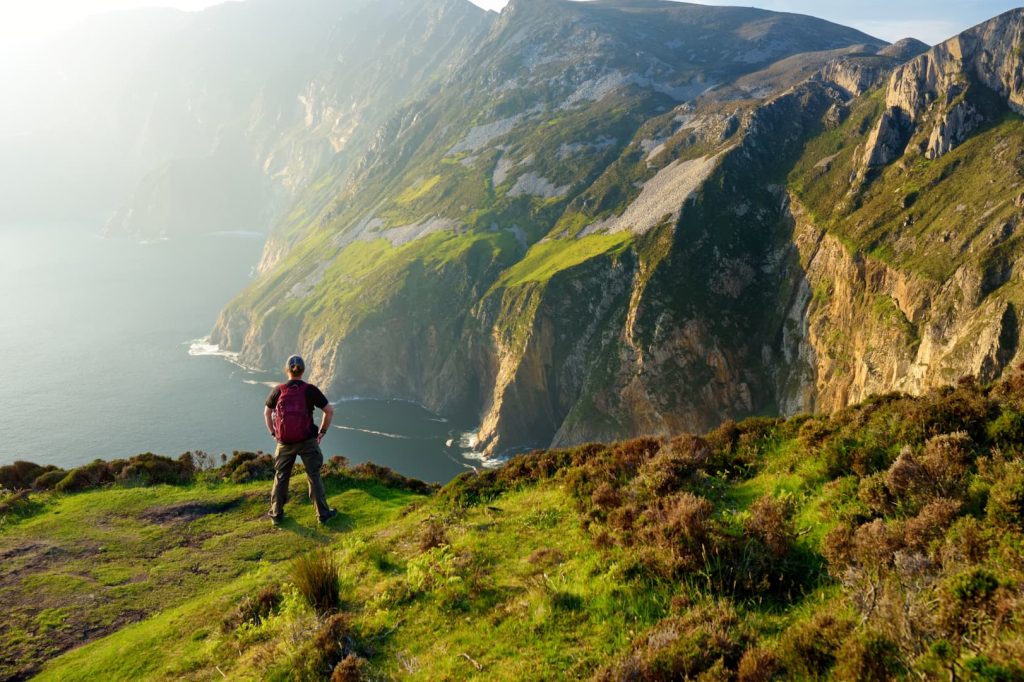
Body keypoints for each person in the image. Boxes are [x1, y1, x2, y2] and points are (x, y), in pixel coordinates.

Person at [264, 355, 338, 525]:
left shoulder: (278, 390)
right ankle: (323, 514)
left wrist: (274, 434)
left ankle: (276, 514)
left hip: (284, 442)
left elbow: (267, 413)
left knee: (281, 476)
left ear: (287, 370)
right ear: (303, 371)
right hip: (307, 440)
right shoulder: (310, 390)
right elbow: (329, 411)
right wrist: (322, 432)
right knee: (313, 475)